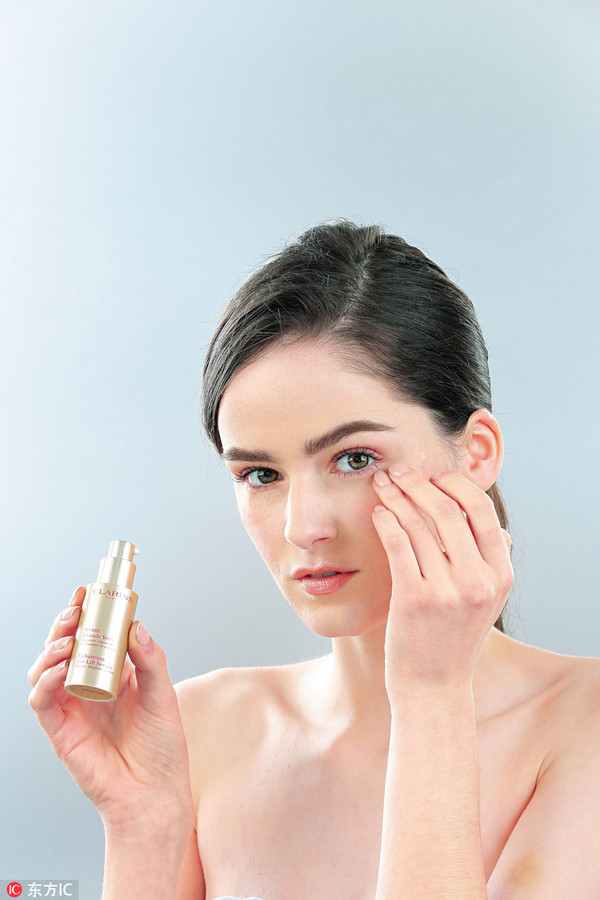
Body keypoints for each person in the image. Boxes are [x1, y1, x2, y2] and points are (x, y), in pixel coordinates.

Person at [29, 221, 600, 900]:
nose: (303, 528)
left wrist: (431, 695)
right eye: (261, 475)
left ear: (476, 454)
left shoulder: (584, 727)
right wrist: (143, 827)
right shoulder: (202, 729)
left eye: (354, 459)